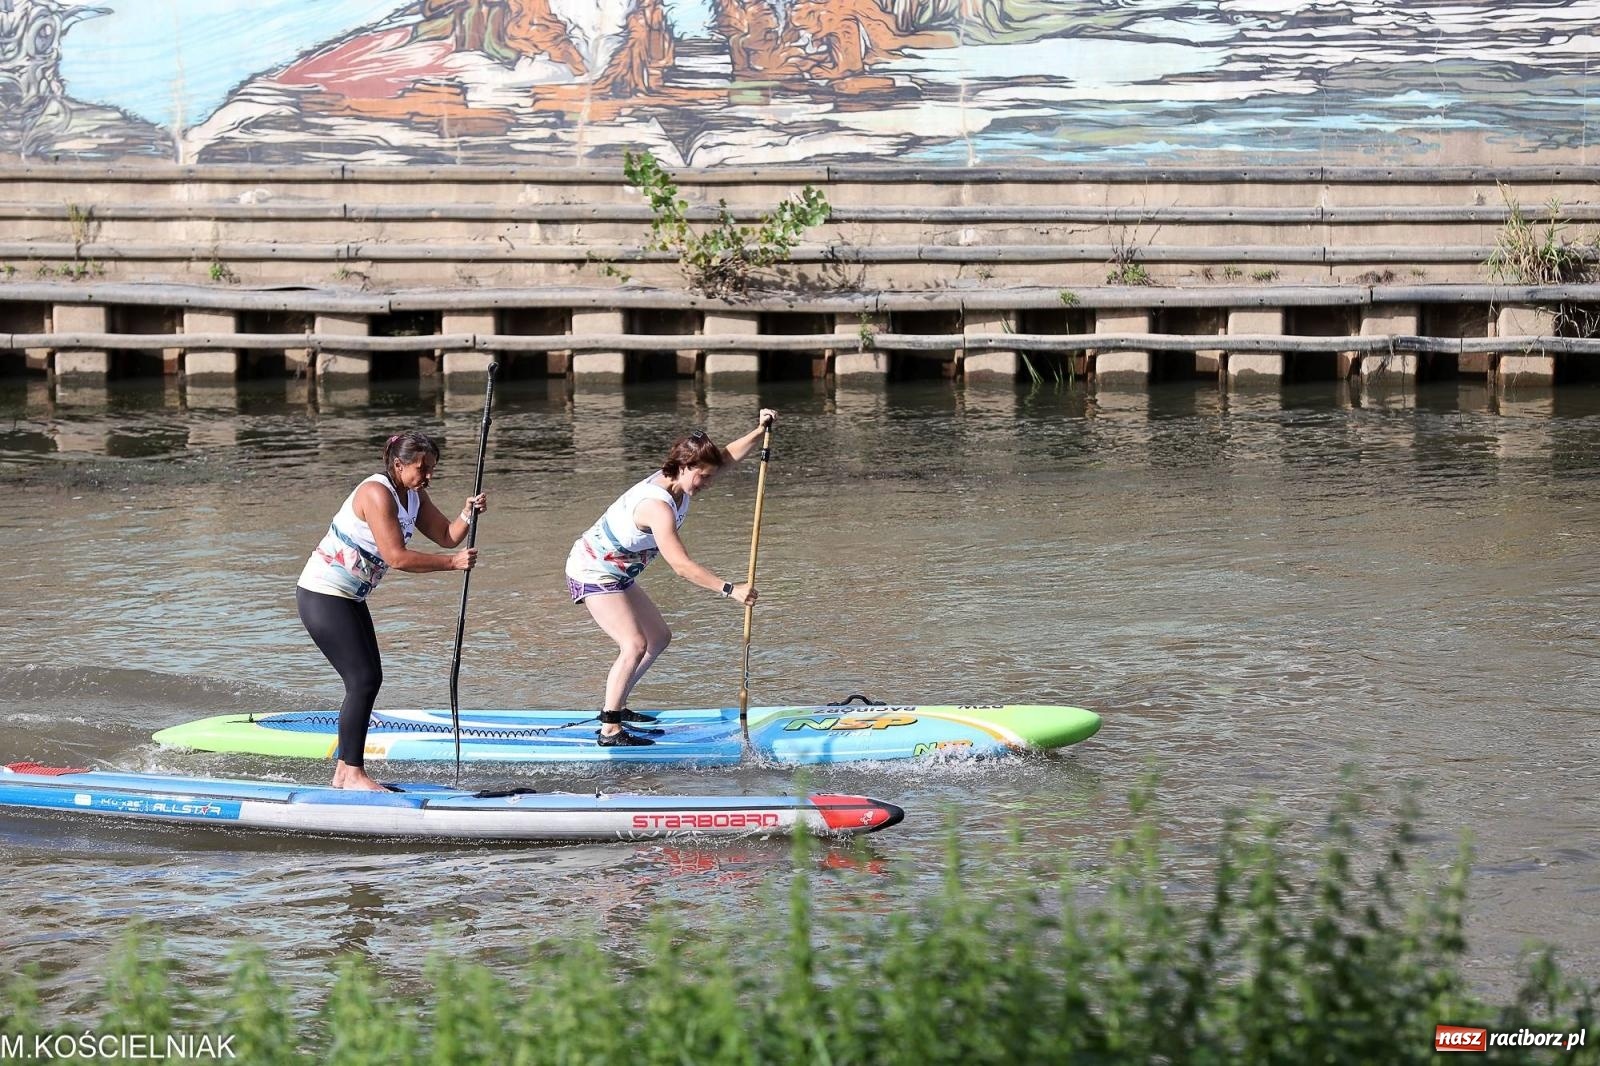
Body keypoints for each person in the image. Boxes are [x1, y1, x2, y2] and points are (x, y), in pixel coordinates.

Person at [566, 409, 776, 746]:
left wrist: (760, 430)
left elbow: (726, 457)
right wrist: (730, 589)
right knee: (634, 644)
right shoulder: (657, 507)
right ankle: (609, 727)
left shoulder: (682, 481)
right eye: (702, 478)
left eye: (709, 477)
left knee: (659, 637)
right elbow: (680, 565)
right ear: (683, 467)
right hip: (593, 570)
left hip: (618, 573)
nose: (706, 484)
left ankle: (616, 705)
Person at [295, 430, 487, 790]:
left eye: (432, 468)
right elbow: (396, 557)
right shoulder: (375, 493)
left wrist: (467, 512)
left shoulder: (413, 495)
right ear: (398, 464)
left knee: (369, 679)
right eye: (423, 468)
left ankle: (345, 771)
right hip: (321, 594)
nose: (428, 475)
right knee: (362, 680)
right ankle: (351, 772)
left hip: (350, 597)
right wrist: (452, 564)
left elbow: (447, 535)